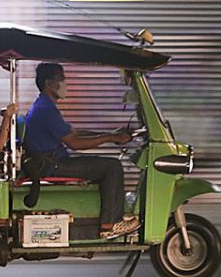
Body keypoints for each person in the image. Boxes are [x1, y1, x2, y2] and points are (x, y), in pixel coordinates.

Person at [23, 62, 140, 239]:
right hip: (53, 166)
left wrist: (110, 134)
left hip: (52, 161)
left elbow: (73, 132)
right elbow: (75, 143)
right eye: (61, 79)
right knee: (112, 166)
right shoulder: (45, 110)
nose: (65, 83)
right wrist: (110, 138)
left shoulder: (45, 106)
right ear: (49, 84)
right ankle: (110, 224)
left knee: (106, 165)